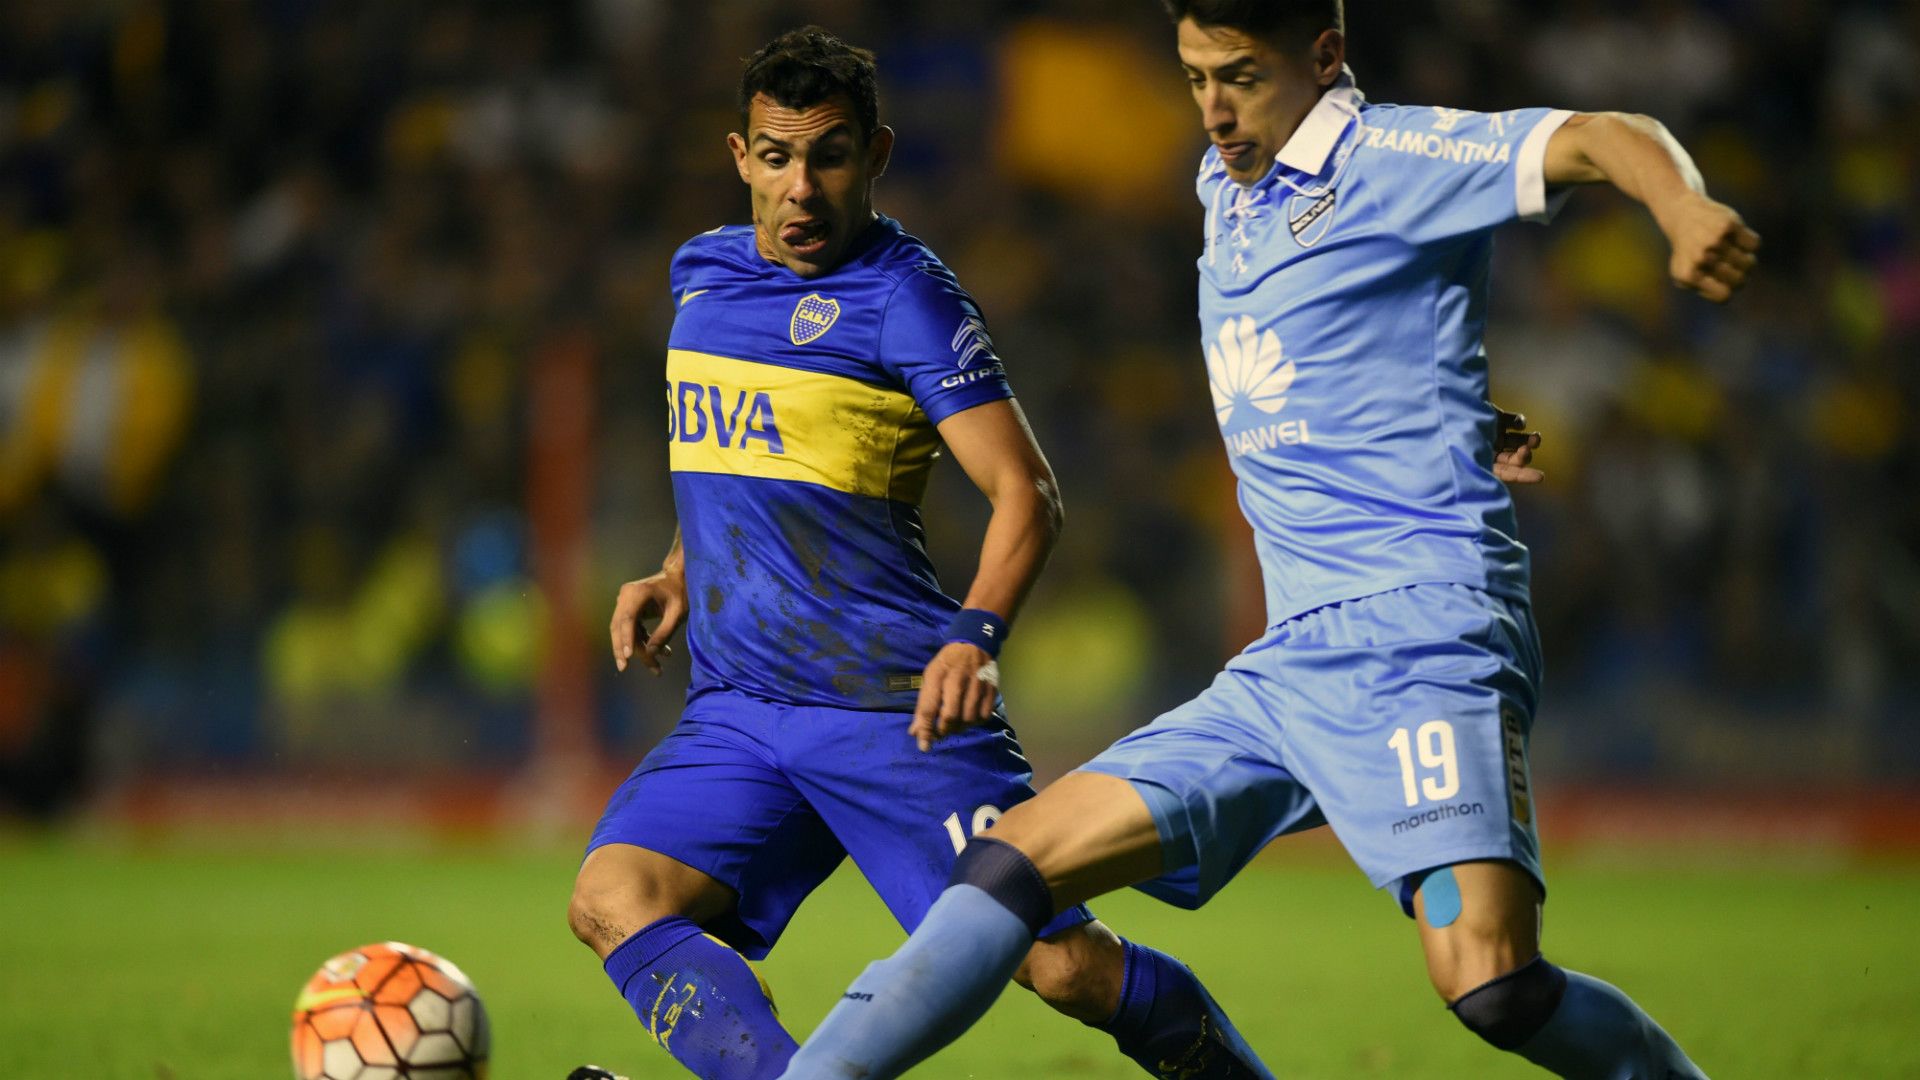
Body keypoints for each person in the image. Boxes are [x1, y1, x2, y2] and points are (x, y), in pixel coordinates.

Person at [776, 2, 1757, 1078]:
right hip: (1288, 669)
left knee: (1492, 984)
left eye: (1241, 75)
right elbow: (1335, 344)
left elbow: (1603, 132)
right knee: (1011, 867)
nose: (1215, 108)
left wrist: (1683, 204)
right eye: (1197, 77)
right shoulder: (1226, 188)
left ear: (1325, 56)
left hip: (1418, 634)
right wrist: (1445, 413)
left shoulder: (1393, 157)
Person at [565, 26, 1290, 1080]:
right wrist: (679, 571)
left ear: (878, 155)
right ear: (739, 157)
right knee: (611, 899)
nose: (801, 187)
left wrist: (976, 636)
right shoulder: (702, 277)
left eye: (830, 155)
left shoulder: (907, 295)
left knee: (1063, 969)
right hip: (740, 708)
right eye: (776, 156)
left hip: (889, 710)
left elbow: (1025, 494)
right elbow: (739, 454)